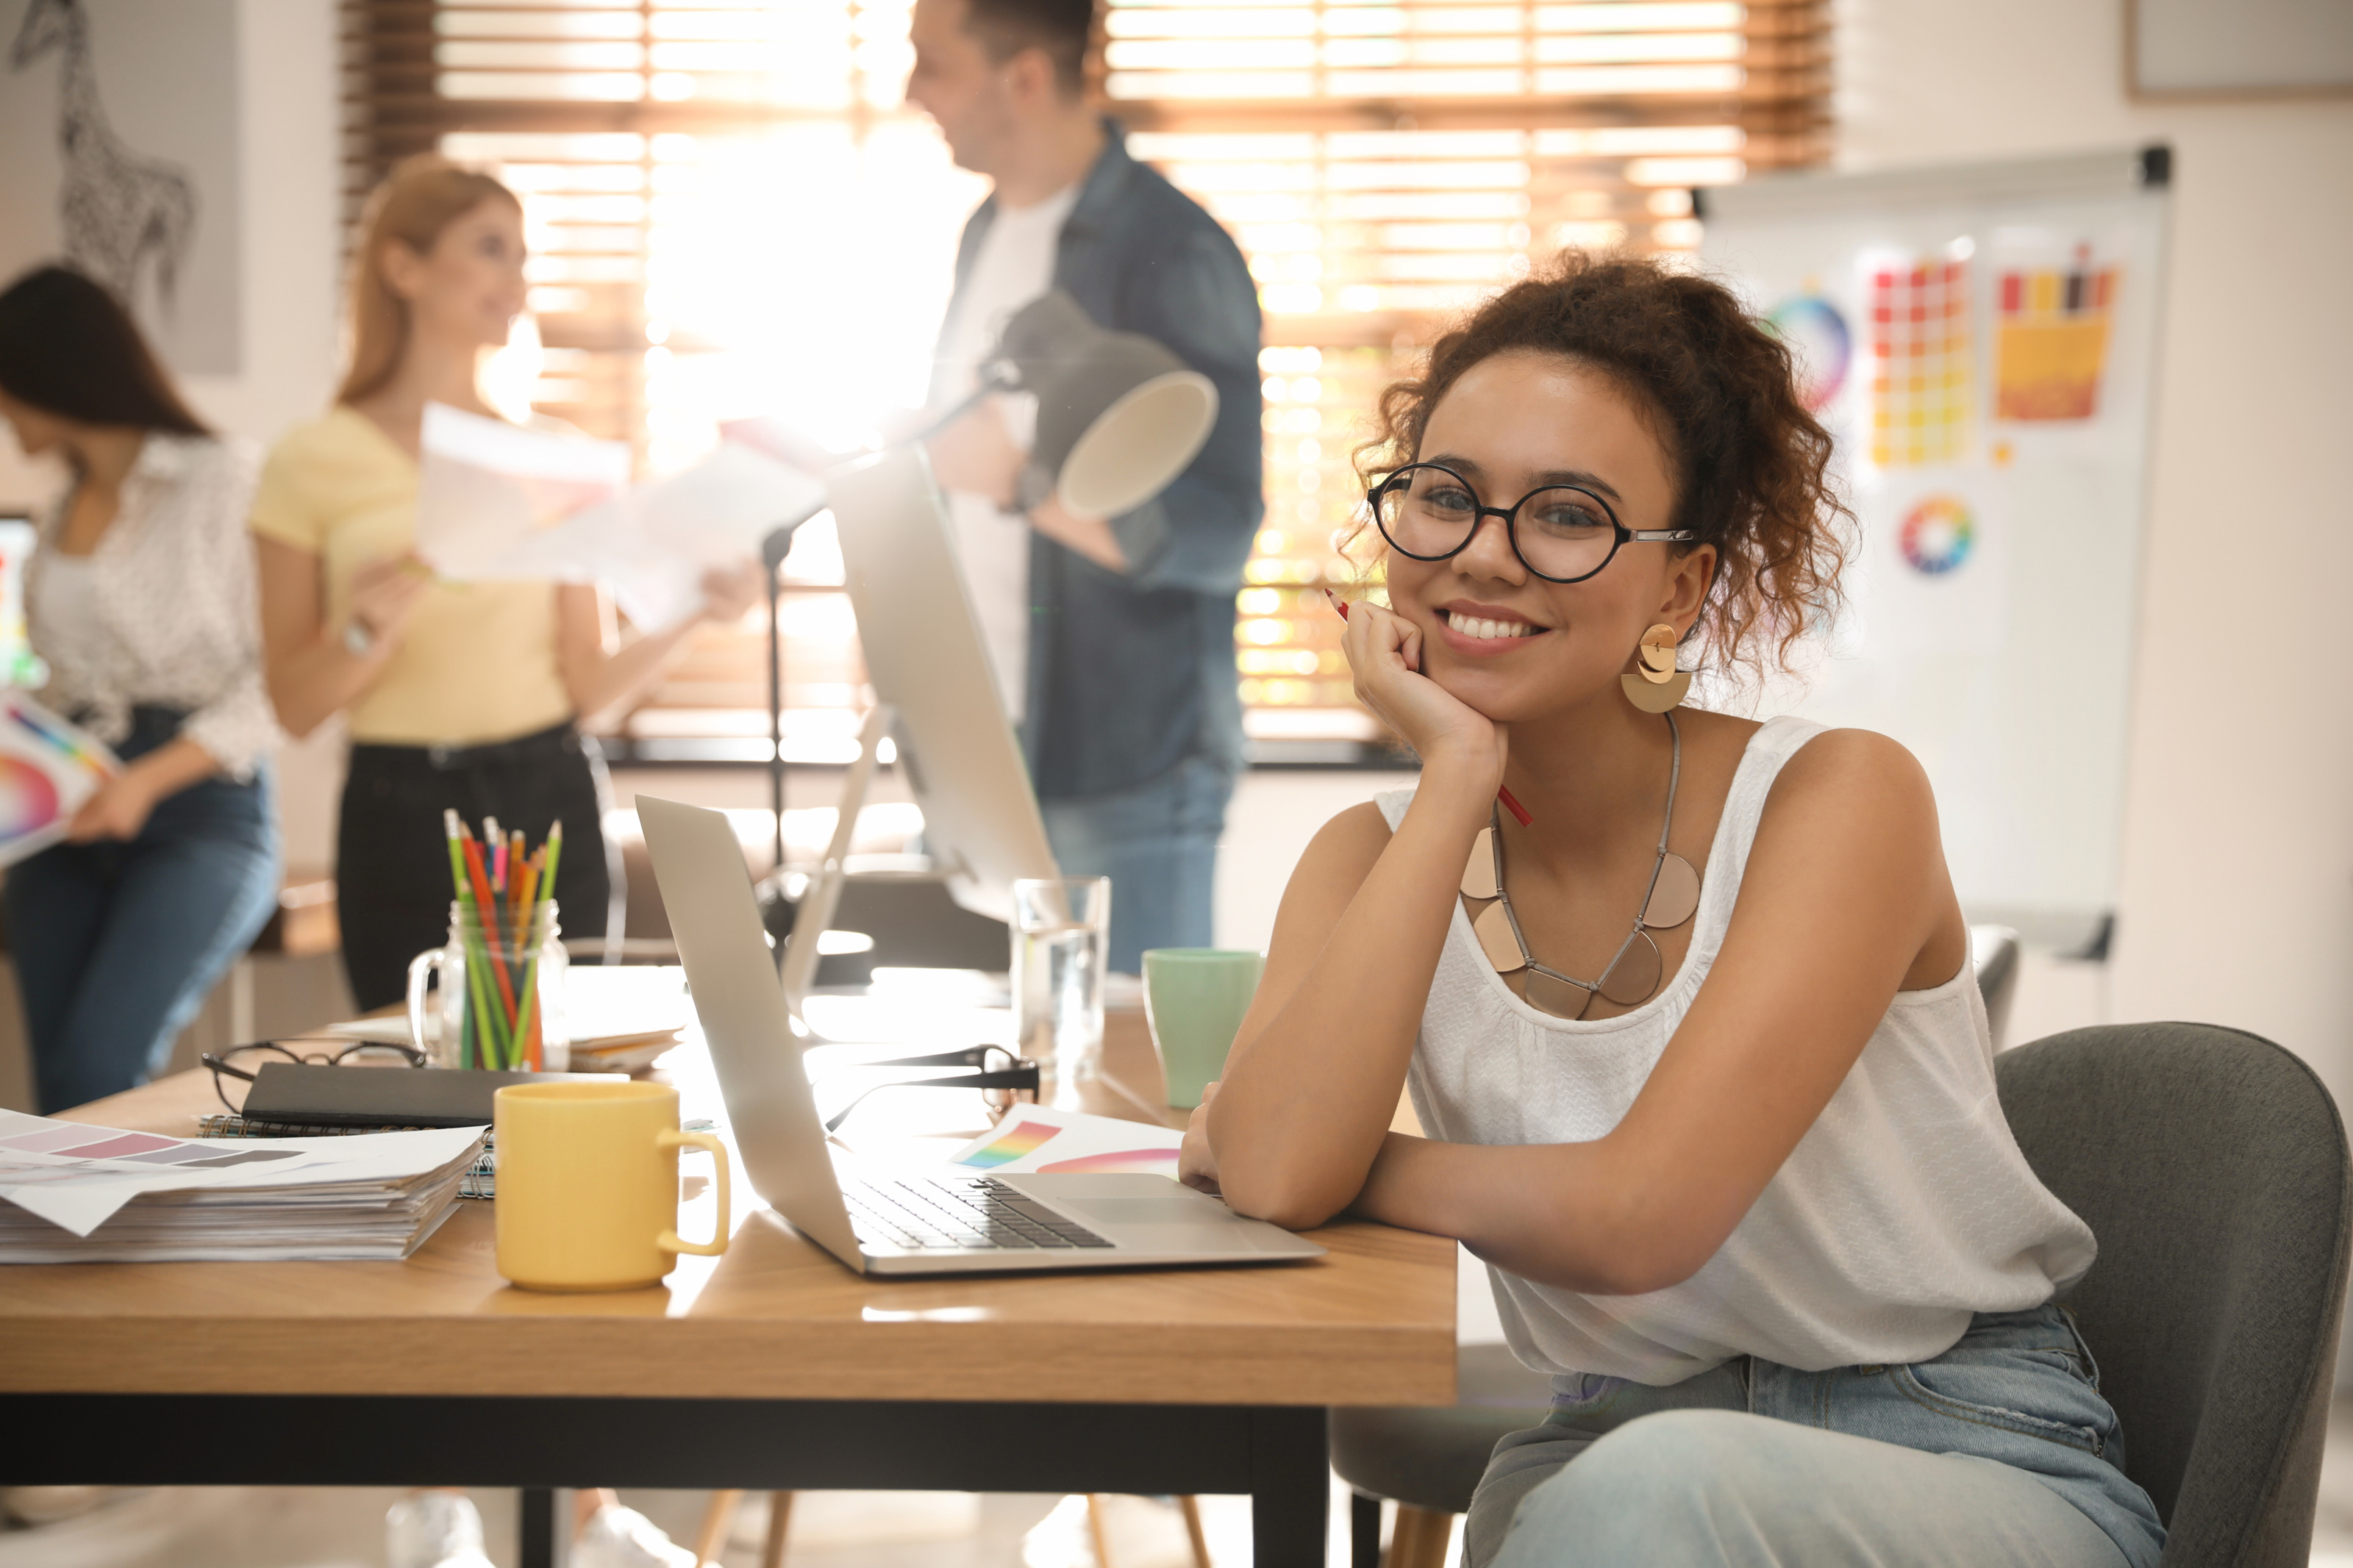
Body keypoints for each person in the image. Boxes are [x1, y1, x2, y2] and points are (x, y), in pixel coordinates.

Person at [1179, 254, 2167, 1568]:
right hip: (1602, 1446)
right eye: (1445, 494)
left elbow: (1639, 1217)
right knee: (1620, 1493)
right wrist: (1457, 776)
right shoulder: (1372, 856)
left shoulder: (1837, 796)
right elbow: (1272, 1170)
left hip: (1952, 1443)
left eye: (1571, 515)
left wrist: (1339, 1167)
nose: (1486, 551)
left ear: (1681, 590)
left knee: (1645, 1496)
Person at [251, 157, 761, 1015]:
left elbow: (589, 689)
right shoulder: (310, 460)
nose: (515, 278)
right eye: (490, 248)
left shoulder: (552, 459)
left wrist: (690, 612)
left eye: (523, 256)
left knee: (562, 1076)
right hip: (396, 810)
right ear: (403, 267)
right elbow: (295, 708)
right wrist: (360, 635)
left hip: (547, 796)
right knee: (423, 1090)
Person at [905, 0, 1262, 971]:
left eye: (932, 64)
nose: (911, 93)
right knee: (1002, 1100)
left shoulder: (1172, 250)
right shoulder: (985, 231)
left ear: (1022, 76)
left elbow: (1215, 530)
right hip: (985, 743)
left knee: (1130, 1103)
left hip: (1123, 766)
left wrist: (1020, 482)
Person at [0, 265, 282, 1114]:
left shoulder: (224, 478)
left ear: (50, 376)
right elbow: (58, 677)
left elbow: (275, 684)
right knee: (60, 1091)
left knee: (99, 1065)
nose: (5, 413)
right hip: (71, 806)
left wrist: (146, 782)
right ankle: (81, 1252)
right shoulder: (65, 506)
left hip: (199, 809)